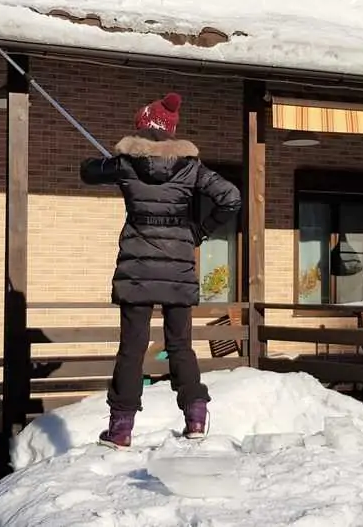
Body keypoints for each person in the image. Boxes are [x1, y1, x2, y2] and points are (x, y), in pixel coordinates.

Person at [79, 92, 242, 449]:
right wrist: (198, 231)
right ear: (169, 132)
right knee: (181, 345)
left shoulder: (125, 164)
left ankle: (121, 429)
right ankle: (196, 418)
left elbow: (87, 171)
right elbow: (231, 197)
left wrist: (114, 163)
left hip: (137, 268)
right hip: (178, 267)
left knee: (132, 348)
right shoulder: (191, 168)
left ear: (142, 126)